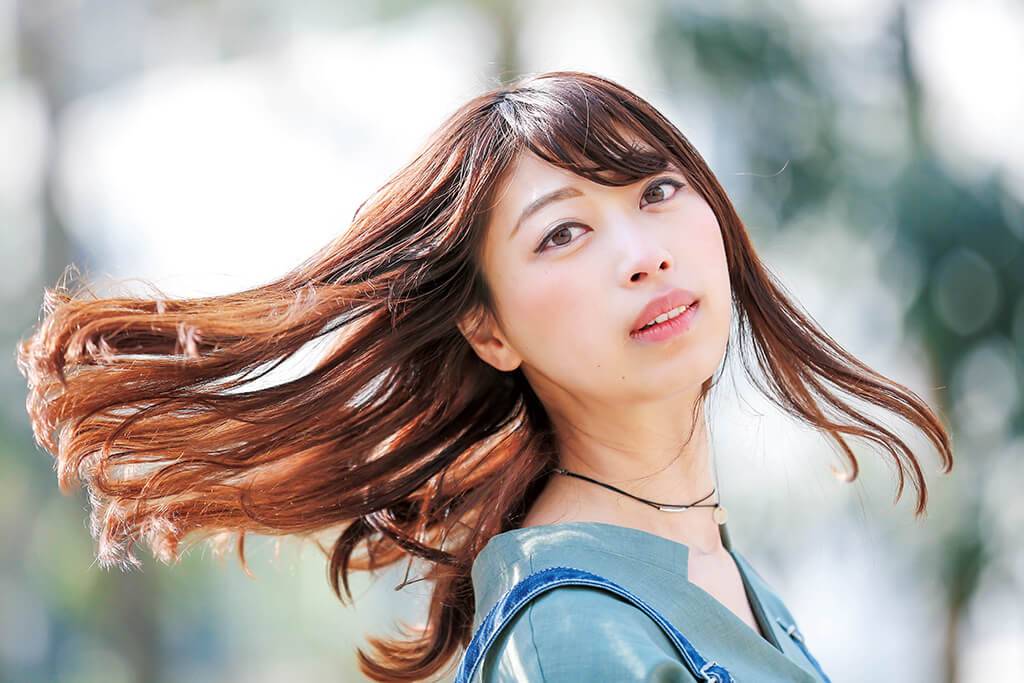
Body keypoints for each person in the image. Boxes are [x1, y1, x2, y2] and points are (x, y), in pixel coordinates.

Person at [18, 70, 952, 682]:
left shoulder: (722, 579)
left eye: (657, 190)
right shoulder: (574, 628)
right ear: (490, 329)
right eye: (563, 233)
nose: (641, 254)